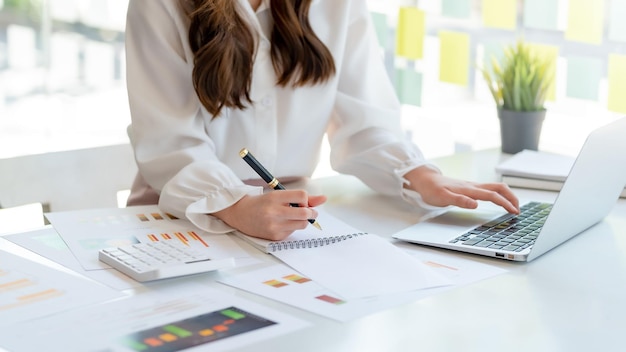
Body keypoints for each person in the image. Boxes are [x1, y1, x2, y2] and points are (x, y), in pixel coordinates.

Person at [124, 0, 519, 241]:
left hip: (289, 217)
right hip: (184, 214)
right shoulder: (161, 3)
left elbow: (363, 119)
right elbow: (171, 144)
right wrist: (235, 204)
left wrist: (419, 175)